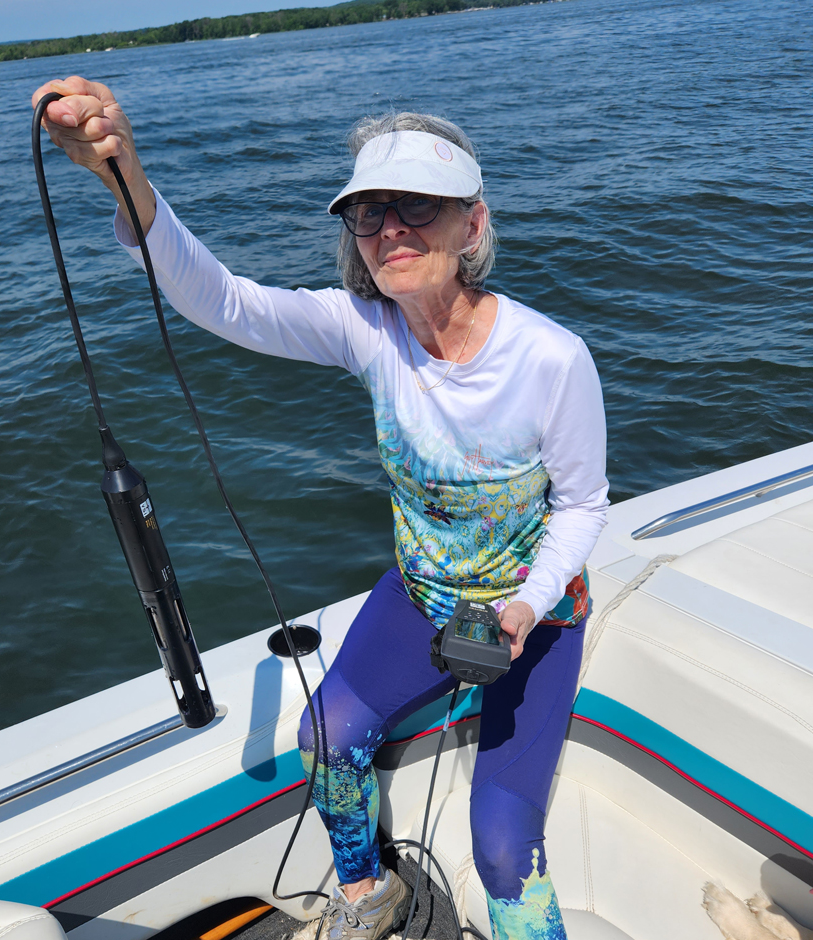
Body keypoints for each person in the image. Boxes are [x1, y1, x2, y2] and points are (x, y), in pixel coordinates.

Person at [33, 76, 609, 940]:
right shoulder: (363, 329)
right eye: (368, 214)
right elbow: (223, 300)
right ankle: (367, 890)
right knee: (326, 739)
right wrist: (129, 180)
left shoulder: (554, 359)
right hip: (419, 599)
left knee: (501, 846)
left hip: (537, 618)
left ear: (472, 223)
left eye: (416, 205)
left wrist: (527, 603)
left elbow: (584, 506)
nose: (391, 230)